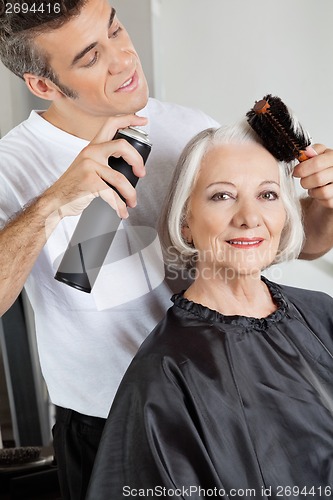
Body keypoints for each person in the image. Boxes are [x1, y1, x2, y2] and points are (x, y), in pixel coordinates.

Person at [0, 0, 332, 497]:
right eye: (91, 57)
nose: (124, 59)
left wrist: (325, 205)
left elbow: (277, 242)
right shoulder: (13, 167)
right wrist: (53, 204)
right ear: (43, 85)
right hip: (111, 423)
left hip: (226, 399)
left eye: (116, 29)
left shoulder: (187, 128)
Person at [86, 122, 333, 499]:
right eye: (222, 196)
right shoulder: (165, 373)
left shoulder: (321, 313)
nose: (250, 217)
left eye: (267, 195)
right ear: (186, 222)